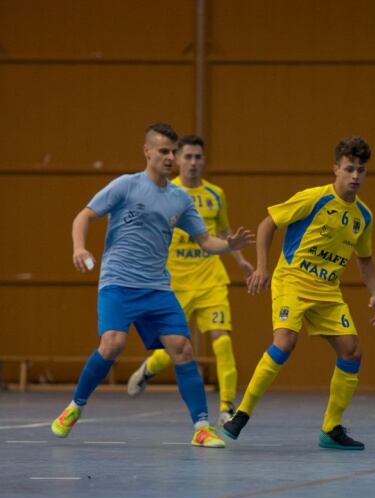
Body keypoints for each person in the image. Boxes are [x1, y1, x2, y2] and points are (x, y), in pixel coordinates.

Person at [51, 123, 254, 448]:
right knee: (113, 344)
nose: (170, 157)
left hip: (157, 288)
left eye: (173, 151)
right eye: (164, 151)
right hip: (118, 282)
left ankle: (201, 428)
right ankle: (75, 407)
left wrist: (230, 246)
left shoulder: (180, 199)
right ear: (147, 152)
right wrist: (79, 247)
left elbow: (205, 241)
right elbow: (84, 216)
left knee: (182, 348)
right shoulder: (126, 186)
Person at [222, 135, 375, 450]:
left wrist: (374, 293)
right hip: (292, 280)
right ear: (335, 169)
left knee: (352, 351)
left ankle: (331, 428)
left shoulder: (363, 216)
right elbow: (268, 224)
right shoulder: (314, 198)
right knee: (285, 342)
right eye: (349, 168)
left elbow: (365, 259)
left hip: (327, 291)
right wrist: (262, 268)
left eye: (361, 170)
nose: (355, 176)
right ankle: (240, 415)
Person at [126, 135, 254, 426]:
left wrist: (241, 260)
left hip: (211, 280)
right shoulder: (165, 193)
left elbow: (223, 231)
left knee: (222, 341)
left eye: (198, 157)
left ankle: (226, 407)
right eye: (188, 157)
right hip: (175, 284)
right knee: (174, 348)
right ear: (176, 159)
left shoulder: (216, 194)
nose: (193, 163)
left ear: (203, 160)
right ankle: (149, 368)